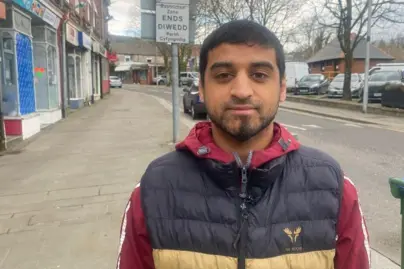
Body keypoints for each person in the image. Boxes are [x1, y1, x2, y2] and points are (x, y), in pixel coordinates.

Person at [116, 20, 370, 269]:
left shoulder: (333, 188)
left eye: (259, 75)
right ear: (202, 89)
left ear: (282, 88)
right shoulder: (154, 189)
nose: (241, 90)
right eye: (224, 75)